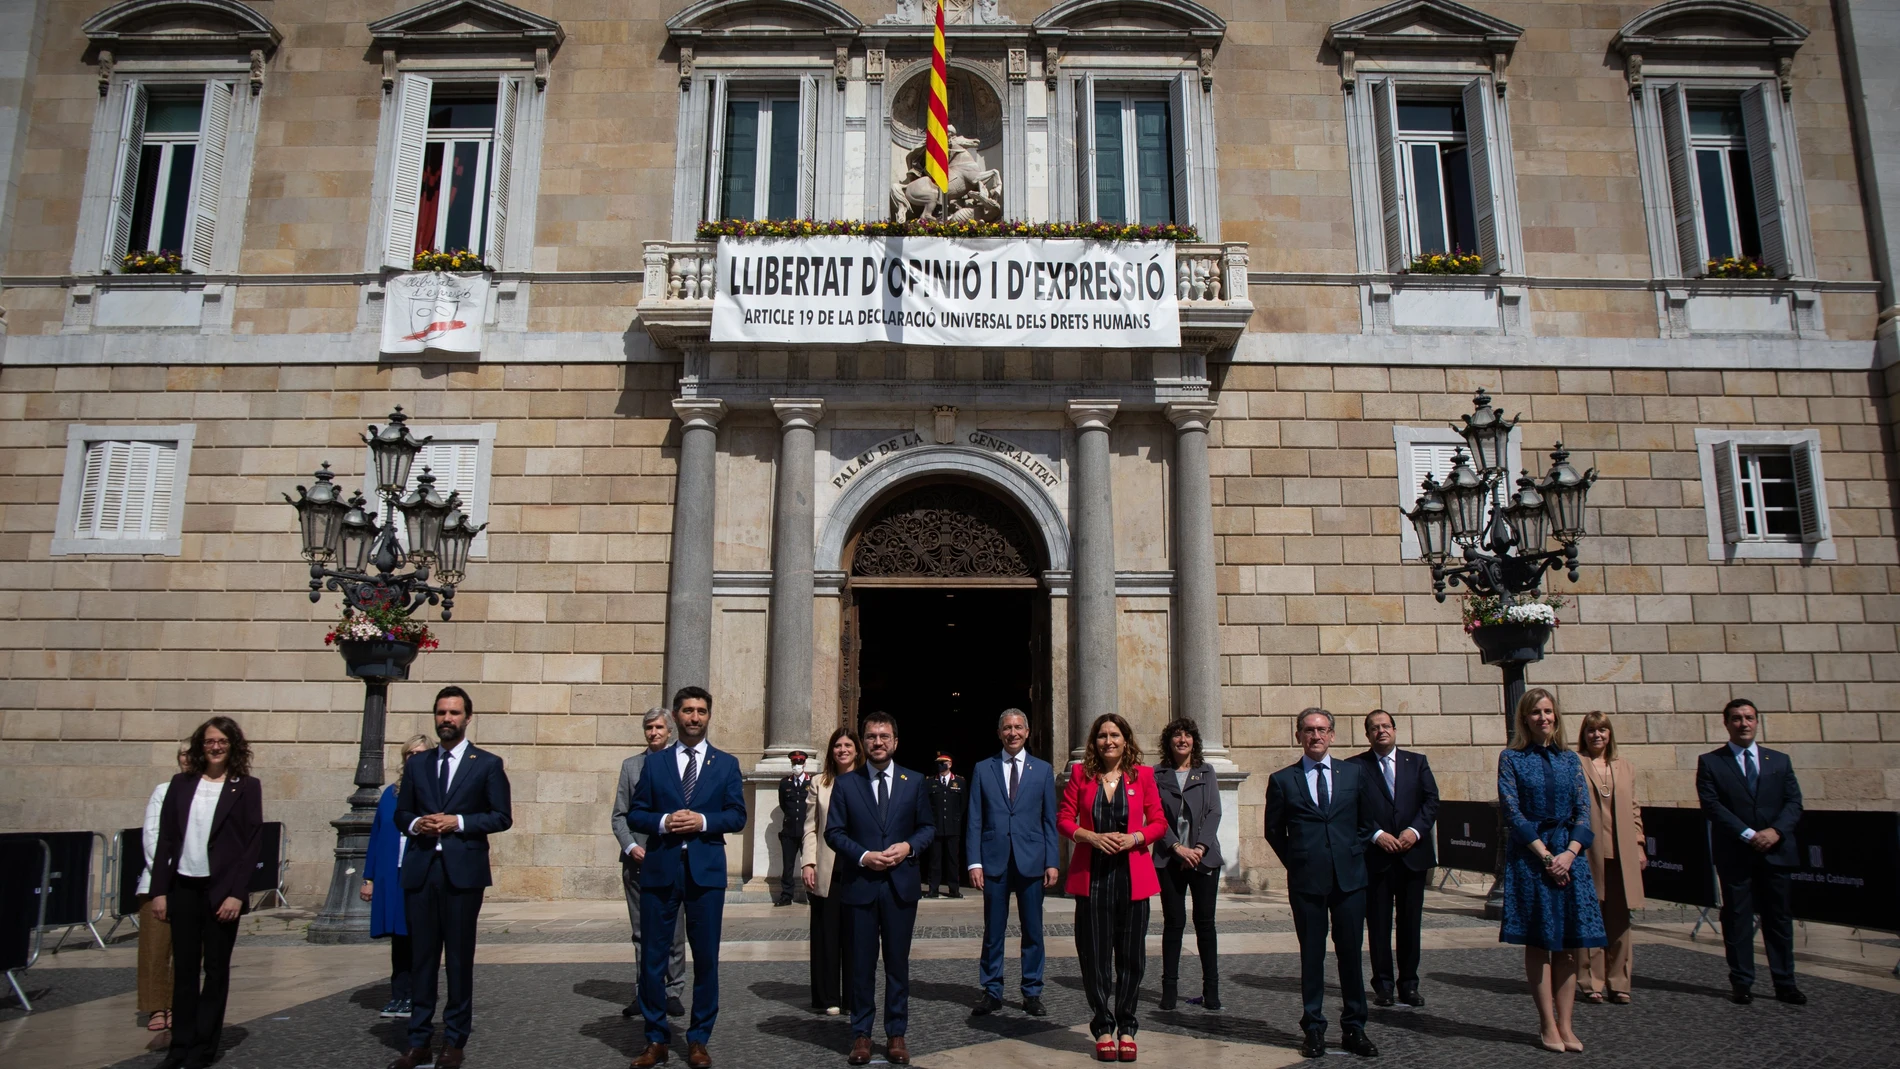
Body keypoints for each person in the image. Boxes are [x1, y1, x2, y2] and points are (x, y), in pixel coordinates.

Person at [390, 686, 514, 1069]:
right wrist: (416, 824)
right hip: (422, 870)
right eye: (442, 713)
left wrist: (457, 822)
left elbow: (501, 816)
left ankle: (455, 1040)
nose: (447, 719)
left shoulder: (487, 764)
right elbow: (401, 813)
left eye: (454, 713)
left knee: (459, 960)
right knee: (422, 960)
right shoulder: (418, 764)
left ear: (468, 718)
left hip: (463, 874)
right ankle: (418, 1040)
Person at [626, 686, 749, 1069]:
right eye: (687, 711)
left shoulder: (726, 764)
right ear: (676, 716)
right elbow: (636, 814)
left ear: (709, 716)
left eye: (701, 711)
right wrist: (664, 822)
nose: (694, 717)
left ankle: (698, 1039)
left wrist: (703, 821)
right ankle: (656, 1037)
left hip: (706, 874)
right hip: (661, 870)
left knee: (707, 959)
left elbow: (737, 815)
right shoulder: (655, 763)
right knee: (652, 959)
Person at [1265, 708, 1380, 1060]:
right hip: (1307, 881)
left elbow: (1367, 821)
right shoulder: (1283, 779)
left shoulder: (1354, 773)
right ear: (1298, 735)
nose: (1316, 736)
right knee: (1312, 956)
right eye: (1309, 730)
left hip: (1349, 880)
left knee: (1350, 955)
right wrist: (1300, 860)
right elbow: (1274, 831)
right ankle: (1313, 1027)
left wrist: (1349, 853)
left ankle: (1354, 1027)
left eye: (1322, 729)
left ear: (1332, 734)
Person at [148, 717, 263, 1069]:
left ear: (233, 747)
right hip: (184, 886)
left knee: (215, 970)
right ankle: (179, 1046)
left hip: (221, 891)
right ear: (201, 746)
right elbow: (166, 838)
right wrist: (159, 891)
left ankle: (203, 1047)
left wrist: (237, 894)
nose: (215, 747)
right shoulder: (181, 785)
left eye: (223, 742)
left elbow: (251, 844)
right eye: (210, 741)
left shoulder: (246, 786)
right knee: (184, 970)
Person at [1498, 688, 1605, 1054]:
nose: (1543, 718)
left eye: (1548, 711)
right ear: (1525, 719)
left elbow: (1583, 811)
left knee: (1571, 944)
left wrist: (1570, 853)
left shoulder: (1571, 760)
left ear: (1556, 717)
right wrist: (1546, 856)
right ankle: (1547, 1023)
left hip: (1569, 856)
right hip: (1532, 857)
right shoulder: (1511, 758)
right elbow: (1512, 812)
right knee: (1541, 941)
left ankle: (1567, 1023)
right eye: (1535, 712)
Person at [825, 710, 935, 1066]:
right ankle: (861, 1034)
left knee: (897, 964)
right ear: (863, 742)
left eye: (884, 736)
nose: (877, 742)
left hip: (901, 887)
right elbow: (834, 833)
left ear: (895, 741)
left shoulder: (914, 780)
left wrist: (908, 847)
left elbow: (927, 828)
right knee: (860, 964)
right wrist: (863, 856)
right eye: (871, 736)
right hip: (860, 885)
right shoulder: (846, 784)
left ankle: (896, 1033)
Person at [1060, 712, 1167, 1063]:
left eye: (1115, 735)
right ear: (1094, 742)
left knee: (1131, 957)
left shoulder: (1144, 776)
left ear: (1126, 740)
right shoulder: (1081, 775)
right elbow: (1063, 818)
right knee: (1094, 956)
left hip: (1132, 877)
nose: (1109, 741)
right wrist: (1088, 836)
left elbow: (1159, 822)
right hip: (1092, 878)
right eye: (1102, 735)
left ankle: (1127, 1026)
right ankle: (1102, 1024)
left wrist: (1135, 837)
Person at [1696, 698, 1805, 1006]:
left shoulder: (1779, 761)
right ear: (1726, 723)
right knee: (1738, 919)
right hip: (1736, 853)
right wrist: (1748, 834)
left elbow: (1794, 802)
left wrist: (1775, 832)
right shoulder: (1711, 762)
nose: (1743, 724)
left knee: (1779, 920)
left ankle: (1785, 982)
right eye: (1736, 718)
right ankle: (1742, 981)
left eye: (1749, 718)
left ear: (1757, 721)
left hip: (1776, 851)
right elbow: (1712, 805)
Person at [966, 708, 1059, 1018]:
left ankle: (1032, 991)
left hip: (1032, 860)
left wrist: (1053, 861)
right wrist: (973, 862)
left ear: (1028, 732)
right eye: (1007, 727)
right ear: (999, 733)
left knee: (1033, 929)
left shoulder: (1043, 770)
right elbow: (974, 819)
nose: (1013, 732)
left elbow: (1049, 820)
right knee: (994, 930)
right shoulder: (983, 768)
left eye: (1018, 727)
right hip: (994, 861)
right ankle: (991, 990)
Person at [1347, 709, 1439, 1009]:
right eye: (1374, 728)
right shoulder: (1356, 767)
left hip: (1412, 855)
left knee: (1410, 923)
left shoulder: (1417, 762)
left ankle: (1409, 984)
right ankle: (1383, 984)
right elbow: (1353, 809)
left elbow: (1431, 801)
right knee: (1378, 924)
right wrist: (1376, 835)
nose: (1381, 731)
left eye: (1386, 726)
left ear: (1395, 730)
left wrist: (1414, 831)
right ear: (1367, 735)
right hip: (1377, 857)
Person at [613, 708, 689, 1019]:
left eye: (659, 727)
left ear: (670, 731)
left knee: (672, 931)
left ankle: (673, 990)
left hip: (670, 859)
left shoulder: (681, 765)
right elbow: (619, 815)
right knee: (641, 932)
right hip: (638, 862)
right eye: (649, 727)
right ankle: (645, 990)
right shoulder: (631, 766)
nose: (653, 732)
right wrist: (631, 846)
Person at [1153, 717, 1223, 1012]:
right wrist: (1178, 848)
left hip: (1203, 857)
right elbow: (1154, 814)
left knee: (1205, 923)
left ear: (1195, 741)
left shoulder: (1206, 772)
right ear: (1168, 742)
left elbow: (1214, 813)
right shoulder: (1157, 774)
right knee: (1174, 923)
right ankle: (1169, 988)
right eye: (1176, 736)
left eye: (1187, 736)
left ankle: (1211, 989)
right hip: (1169, 857)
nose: (1182, 740)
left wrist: (1198, 848)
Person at [1576, 712, 1646, 1005]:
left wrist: (1640, 844)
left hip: (1622, 852)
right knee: (1591, 916)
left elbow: (1633, 809)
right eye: (1591, 730)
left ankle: (1620, 981)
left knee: (1619, 918)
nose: (1597, 735)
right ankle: (1591, 980)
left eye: (1602, 730)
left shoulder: (1625, 767)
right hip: (1589, 851)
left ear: (1610, 733)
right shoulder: (1576, 764)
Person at [362, 735, 432, 1019]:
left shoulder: (434, 792)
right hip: (393, 872)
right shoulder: (391, 794)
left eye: (420, 753)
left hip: (420, 873)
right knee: (399, 938)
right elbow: (377, 836)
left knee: (419, 937)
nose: (414, 758)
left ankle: (418, 995)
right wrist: (369, 878)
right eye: (409, 754)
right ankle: (398, 994)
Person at [803, 727, 862, 1016]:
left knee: (855, 934)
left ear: (857, 749)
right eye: (837, 745)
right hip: (828, 867)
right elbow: (810, 827)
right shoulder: (819, 783)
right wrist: (808, 862)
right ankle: (827, 996)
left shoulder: (868, 782)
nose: (842, 750)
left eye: (848, 744)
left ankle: (853, 996)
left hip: (859, 866)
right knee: (826, 933)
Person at [136, 745, 189, 1035]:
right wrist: (169, 878)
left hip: (194, 884)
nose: (187, 758)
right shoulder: (163, 791)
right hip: (161, 882)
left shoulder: (211, 791)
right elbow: (152, 838)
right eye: (182, 754)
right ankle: (157, 1006)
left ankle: (178, 1004)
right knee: (156, 948)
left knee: (188, 950)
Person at [923, 751, 966, 898]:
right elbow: (927, 805)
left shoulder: (959, 782)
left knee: (953, 860)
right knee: (935, 860)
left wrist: (957, 819)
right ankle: (933, 889)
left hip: (953, 827)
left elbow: (963, 804)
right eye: (939, 763)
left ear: (950, 764)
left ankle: (954, 889)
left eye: (944, 763)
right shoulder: (930, 782)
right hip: (936, 827)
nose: (941, 765)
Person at [778, 751, 813, 906]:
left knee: (810, 864)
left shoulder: (811, 782)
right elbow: (784, 805)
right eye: (794, 763)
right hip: (789, 831)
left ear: (804, 764)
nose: (797, 766)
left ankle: (811, 894)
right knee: (788, 865)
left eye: (799, 763)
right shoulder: (785, 783)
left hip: (806, 831)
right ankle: (786, 895)